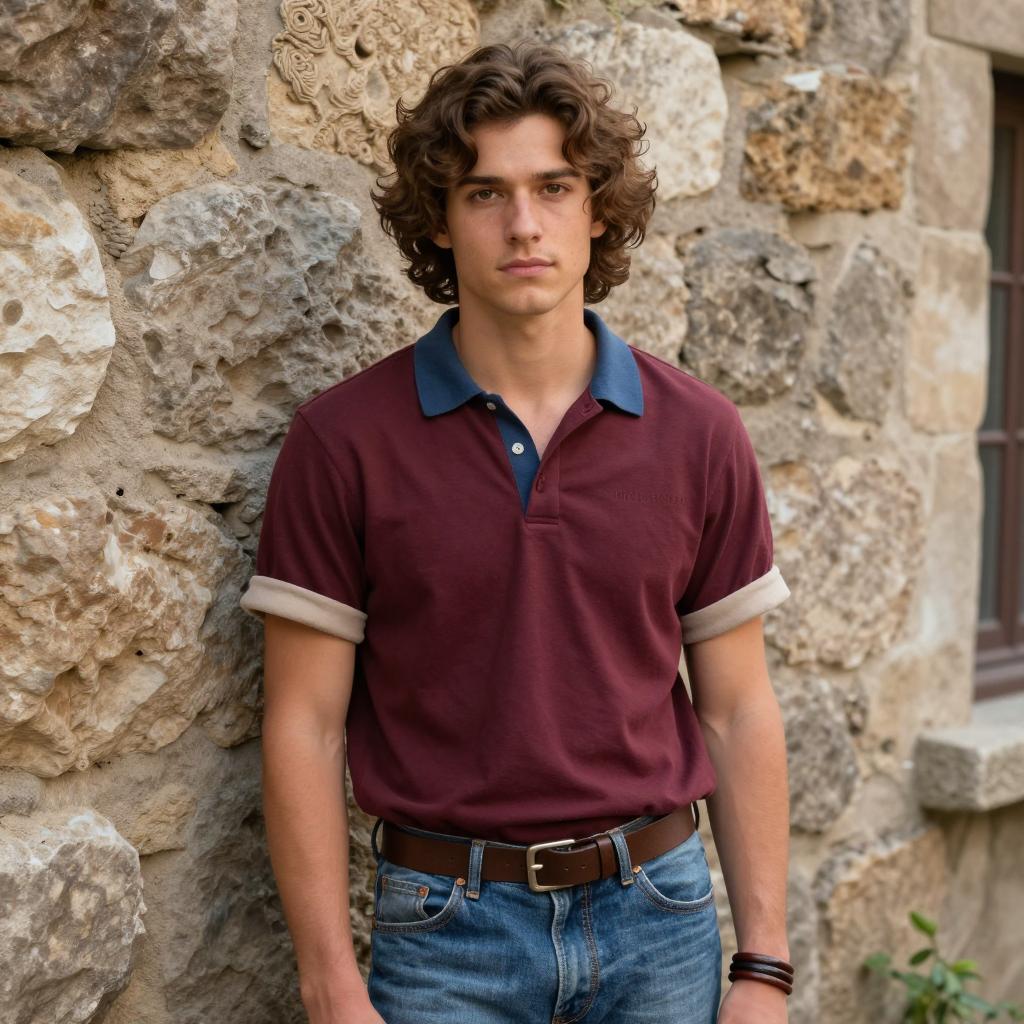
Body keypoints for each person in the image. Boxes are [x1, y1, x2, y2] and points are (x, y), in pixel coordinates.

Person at [240, 39, 794, 1024]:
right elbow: (305, 724)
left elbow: (737, 708)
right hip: (447, 932)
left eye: (554, 186)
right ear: (441, 223)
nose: (523, 224)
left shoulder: (698, 434)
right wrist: (330, 984)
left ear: (596, 210)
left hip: (658, 916)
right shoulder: (343, 442)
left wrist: (764, 965)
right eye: (485, 194)